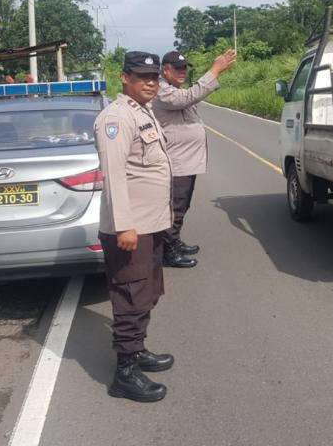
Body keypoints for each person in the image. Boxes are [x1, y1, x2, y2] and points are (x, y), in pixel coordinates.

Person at [94, 51, 175, 403]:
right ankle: (125, 372)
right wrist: (124, 226)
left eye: (155, 77)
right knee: (131, 295)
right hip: (131, 230)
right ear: (124, 77)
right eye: (142, 76)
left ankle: (137, 350)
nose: (151, 82)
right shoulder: (115, 118)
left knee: (148, 291)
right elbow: (114, 177)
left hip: (149, 224)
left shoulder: (142, 112)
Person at [151, 49, 236, 268]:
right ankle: (168, 251)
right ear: (165, 70)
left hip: (185, 162)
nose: (182, 72)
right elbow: (188, 98)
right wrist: (215, 70)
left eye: (184, 68)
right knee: (175, 208)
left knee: (182, 205)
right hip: (175, 164)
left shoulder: (174, 89)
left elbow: (189, 98)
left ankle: (174, 242)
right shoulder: (162, 91)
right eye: (177, 68)